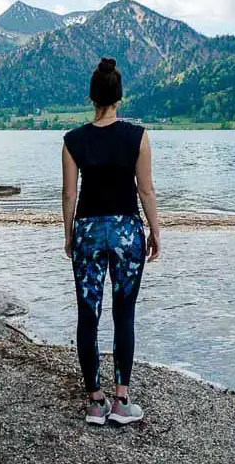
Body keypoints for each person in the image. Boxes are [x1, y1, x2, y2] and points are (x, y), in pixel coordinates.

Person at [61, 57, 161, 426]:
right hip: (126, 233)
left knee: (88, 315)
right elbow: (145, 190)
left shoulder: (73, 141)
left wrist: (69, 234)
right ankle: (121, 401)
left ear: (92, 97)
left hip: (87, 230)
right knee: (124, 314)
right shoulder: (138, 136)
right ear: (119, 97)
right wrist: (156, 231)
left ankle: (94, 402)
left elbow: (69, 194)